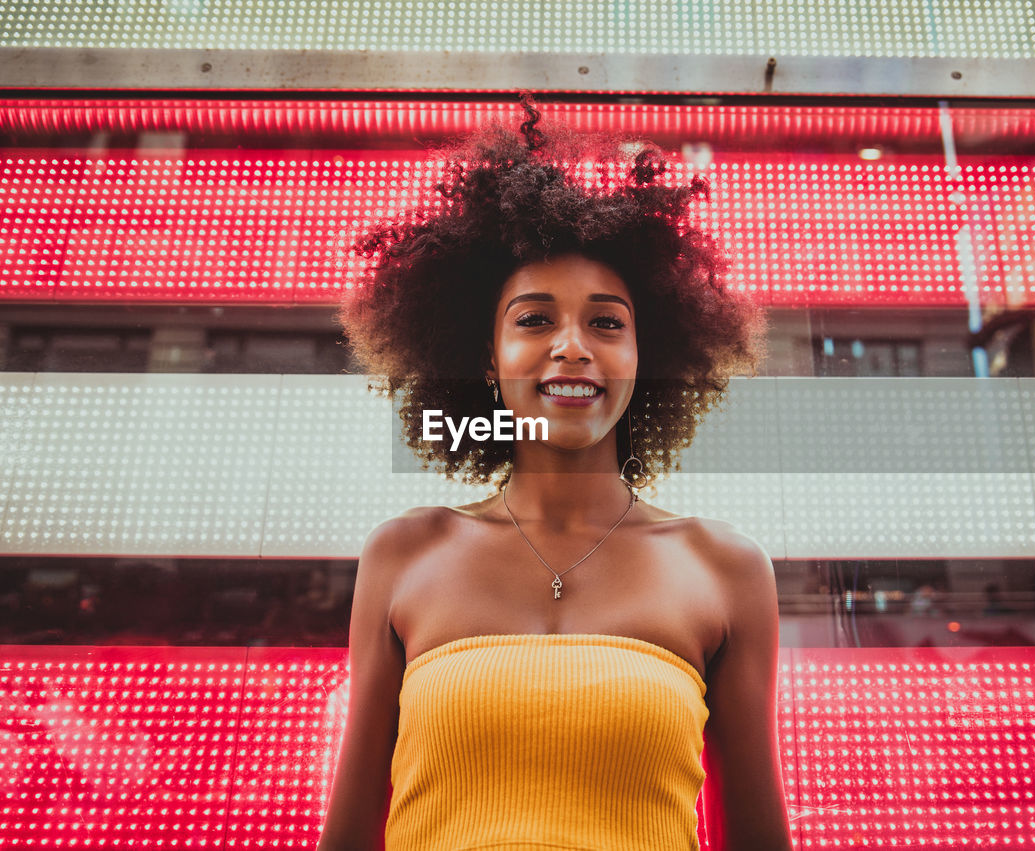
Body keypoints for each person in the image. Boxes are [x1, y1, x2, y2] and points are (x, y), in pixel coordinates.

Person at [317, 97, 792, 850]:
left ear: (647, 355)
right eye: (534, 319)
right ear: (485, 356)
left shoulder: (726, 570)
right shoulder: (404, 554)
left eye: (607, 322)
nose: (572, 346)